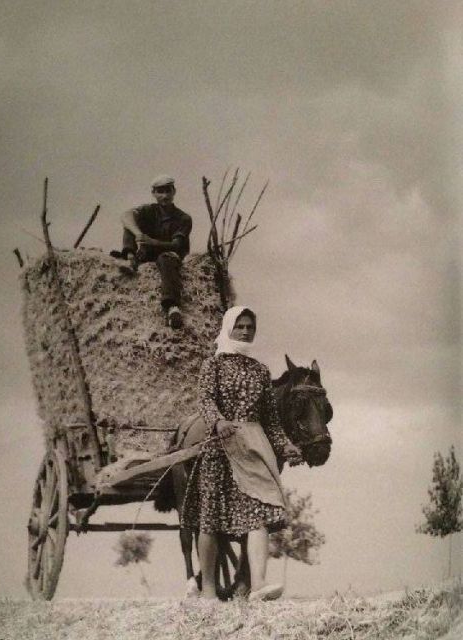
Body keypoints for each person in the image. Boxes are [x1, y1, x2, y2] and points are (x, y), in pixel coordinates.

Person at [181, 306, 301, 601]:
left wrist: (286, 445)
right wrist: (218, 421)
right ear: (229, 328)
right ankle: (208, 589)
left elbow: (271, 420)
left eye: (250, 327)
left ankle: (258, 585)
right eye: (241, 326)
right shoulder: (214, 365)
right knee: (210, 519)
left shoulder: (260, 371)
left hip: (252, 448)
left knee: (258, 514)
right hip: (219, 450)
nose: (246, 331)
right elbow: (206, 401)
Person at [116, 175, 192, 329]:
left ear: (174, 191)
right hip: (148, 253)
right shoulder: (149, 210)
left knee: (166, 259)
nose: (164, 196)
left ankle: (172, 307)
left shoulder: (183, 218)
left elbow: (177, 245)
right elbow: (125, 216)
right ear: (154, 193)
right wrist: (138, 234)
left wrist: (151, 242)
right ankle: (130, 258)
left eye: (167, 191)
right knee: (130, 224)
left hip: (169, 254)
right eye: (160, 192)